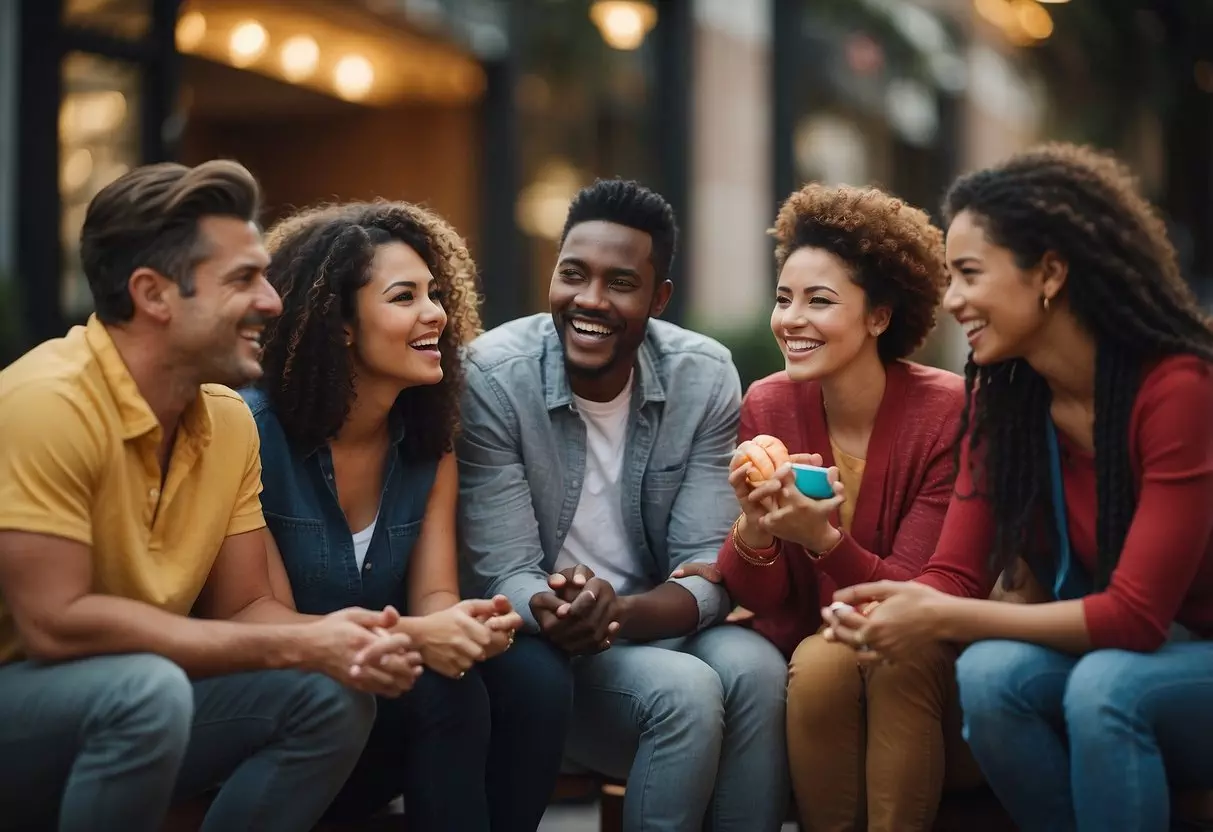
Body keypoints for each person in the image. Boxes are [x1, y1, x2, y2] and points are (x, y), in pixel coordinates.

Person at [0, 162, 423, 832]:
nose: (273, 301)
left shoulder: (226, 421)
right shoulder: (47, 402)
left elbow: (247, 606)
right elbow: (56, 623)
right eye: (242, 279)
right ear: (153, 294)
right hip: (26, 707)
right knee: (147, 692)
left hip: (130, 700)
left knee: (332, 697)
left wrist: (346, 642)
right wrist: (298, 646)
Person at [825, 142, 1213, 832]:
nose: (950, 301)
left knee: (1104, 686)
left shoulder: (1175, 390)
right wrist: (883, 603)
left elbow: (1133, 618)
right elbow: (952, 573)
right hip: (1131, 666)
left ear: (1050, 273)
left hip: (1177, 664)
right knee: (990, 676)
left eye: (968, 274)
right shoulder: (1004, 404)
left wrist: (943, 617)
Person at [457, 179, 790, 832]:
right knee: (685, 693)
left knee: (757, 670)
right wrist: (573, 610)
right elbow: (505, 572)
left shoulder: (703, 374)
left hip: (652, 621)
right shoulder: (493, 377)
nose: (589, 300)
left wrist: (622, 612)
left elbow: (705, 563)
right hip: (542, 650)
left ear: (658, 298)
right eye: (572, 275)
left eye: (619, 282)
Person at [245, 200, 569, 832]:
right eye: (404, 297)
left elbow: (434, 594)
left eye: (435, 292)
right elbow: (274, 625)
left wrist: (469, 624)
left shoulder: (427, 437)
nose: (437, 314)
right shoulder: (255, 433)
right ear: (337, 322)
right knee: (445, 691)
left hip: (386, 696)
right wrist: (426, 638)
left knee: (535, 676)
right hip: (296, 709)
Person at [707, 183, 967, 832]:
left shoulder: (946, 412)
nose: (790, 319)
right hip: (814, 640)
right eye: (782, 298)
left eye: (818, 301)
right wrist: (755, 526)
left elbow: (907, 593)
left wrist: (820, 540)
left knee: (882, 660)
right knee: (820, 664)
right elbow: (760, 595)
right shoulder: (767, 404)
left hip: (920, 640)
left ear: (878, 316)